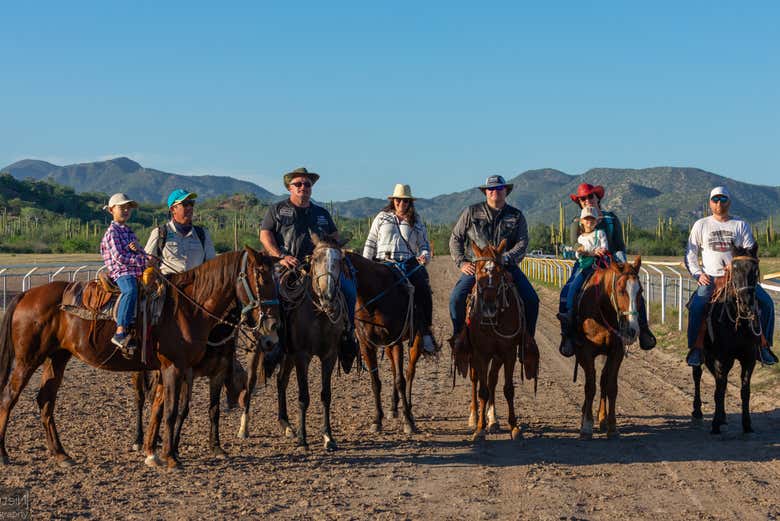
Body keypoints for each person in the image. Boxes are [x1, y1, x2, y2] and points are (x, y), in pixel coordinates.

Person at [259, 167, 359, 373]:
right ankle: (276, 343)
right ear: (290, 187)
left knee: (348, 289)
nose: (303, 187)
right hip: (287, 265)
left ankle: (347, 336)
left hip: (317, 268)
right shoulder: (277, 210)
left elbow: (335, 236)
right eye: (298, 184)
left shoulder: (321, 213)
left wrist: (332, 249)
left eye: (307, 184)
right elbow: (265, 235)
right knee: (274, 296)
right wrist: (280, 256)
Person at [558, 183, 656, 356]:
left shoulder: (611, 219)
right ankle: (568, 332)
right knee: (568, 290)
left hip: (611, 263)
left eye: (590, 197)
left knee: (633, 290)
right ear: (579, 202)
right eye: (583, 198)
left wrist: (623, 264)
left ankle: (643, 329)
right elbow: (574, 244)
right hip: (586, 262)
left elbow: (618, 244)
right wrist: (589, 252)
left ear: (598, 198)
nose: (587, 200)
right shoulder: (576, 222)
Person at [684, 186, 777, 367]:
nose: (719, 203)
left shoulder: (740, 225)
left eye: (723, 199)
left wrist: (735, 265)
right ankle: (696, 348)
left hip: (739, 278)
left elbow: (750, 252)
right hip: (711, 278)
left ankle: (764, 346)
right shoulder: (701, 225)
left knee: (767, 304)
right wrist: (698, 273)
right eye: (715, 199)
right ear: (710, 203)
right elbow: (690, 253)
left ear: (729, 202)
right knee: (697, 307)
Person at [449, 175, 539, 354]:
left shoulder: (516, 216)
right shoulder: (471, 212)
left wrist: (506, 258)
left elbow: (522, 243)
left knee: (532, 300)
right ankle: (460, 336)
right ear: (485, 192)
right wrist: (462, 263)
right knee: (456, 298)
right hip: (477, 267)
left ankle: (526, 341)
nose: (495, 192)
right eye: (491, 189)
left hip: (506, 266)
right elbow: (455, 239)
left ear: (506, 191)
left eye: (499, 189)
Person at [363, 183, 436, 354]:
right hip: (382, 262)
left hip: (407, 263)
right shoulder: (382, 217)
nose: (401, 203)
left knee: (423, 288)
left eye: (405, 201)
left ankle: (425, 332)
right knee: (362, 289)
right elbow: (371, 241)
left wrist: (424, 256)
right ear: (393, 200)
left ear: (410, 202)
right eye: (398, 200)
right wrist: (366, 265)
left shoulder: (416, 220)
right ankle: (355, 332)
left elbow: (424, 244)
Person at [100, 193, 147, 353]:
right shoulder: (112, 233)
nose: (126, 210)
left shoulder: (129, 231)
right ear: (112, 209)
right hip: (122, 272)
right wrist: (141, 260)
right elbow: (119, 257)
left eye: (128, 208)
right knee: (130, 290)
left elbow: (139, 251)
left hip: (135, 271)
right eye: (122, 207)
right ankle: (120, 331)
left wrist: (141, 253)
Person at [144, 189, 216, 273]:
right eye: (185, 204)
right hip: (169, 283)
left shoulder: (203, 233)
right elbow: (146, 261)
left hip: (198, 283)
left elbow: (212, 263)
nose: (190, 207)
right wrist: (148, 261)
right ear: (173, 209)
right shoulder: (160, 233)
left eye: (191, 203)